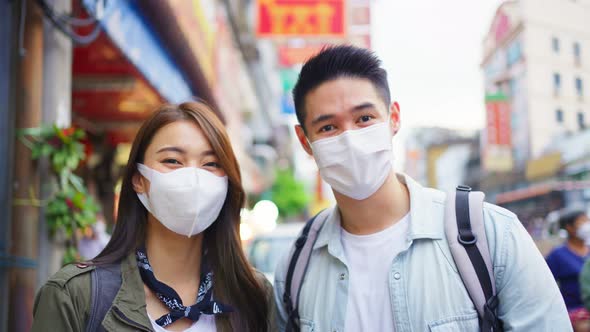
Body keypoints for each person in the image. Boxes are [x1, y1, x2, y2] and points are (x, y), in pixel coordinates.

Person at [273, 45, 570, 331]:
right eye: (328, 127)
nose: (350, 139)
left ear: (394, 118)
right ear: (304, 141)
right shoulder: (296, 267)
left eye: (364, 118)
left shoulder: (492, 236)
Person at [32, 102, 275, 332]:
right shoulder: (75, 296)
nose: (193, 177)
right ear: (139, 180)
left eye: (210, 164)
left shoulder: (254, 296)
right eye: (172, 161)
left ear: (227, 183)